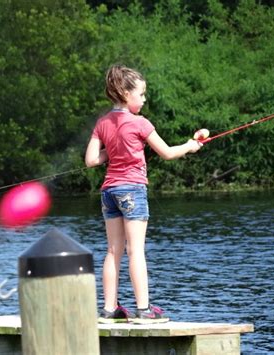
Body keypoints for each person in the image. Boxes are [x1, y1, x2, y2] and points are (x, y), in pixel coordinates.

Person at [85, 65, 202, 324]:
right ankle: (143, 309)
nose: (145, 99)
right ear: (126, 94)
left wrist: (111, 153)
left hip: (109, 192)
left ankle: (109, 309)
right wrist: (191, 146)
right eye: (142, 94)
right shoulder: (140, 123)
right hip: (132, 191)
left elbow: (92, 160)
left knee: (113, 251)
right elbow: (168, 153)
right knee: (136, 250)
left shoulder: (102, 122)